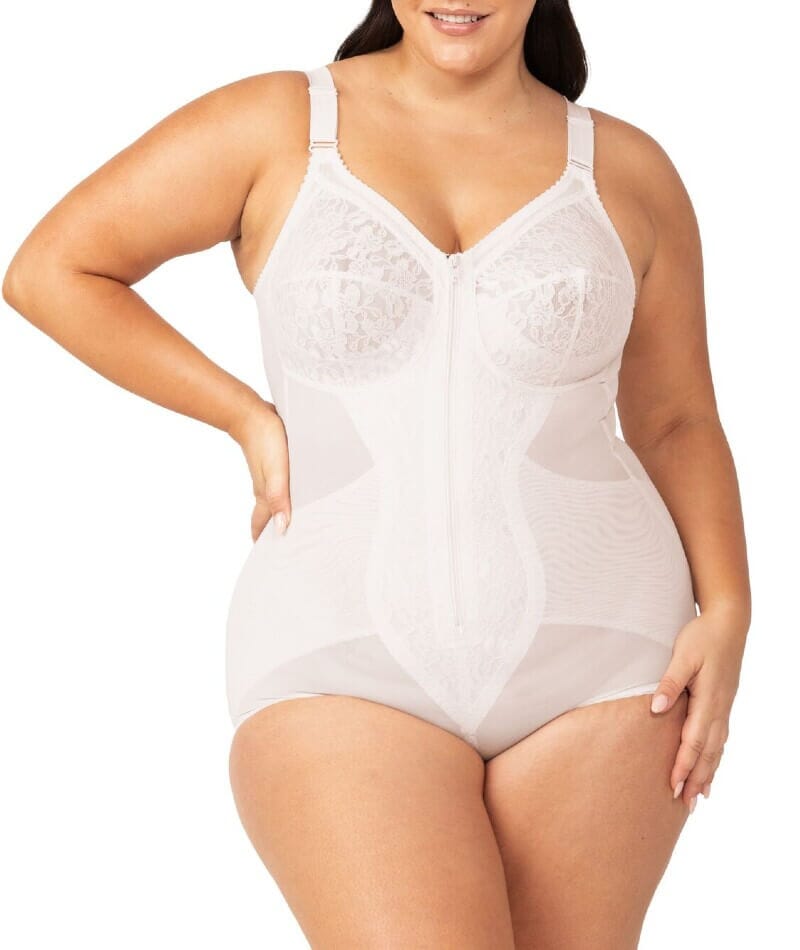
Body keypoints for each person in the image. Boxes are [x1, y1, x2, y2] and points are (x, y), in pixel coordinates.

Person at [3, 1, 751, 946]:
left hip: (609, 659)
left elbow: (677, 419)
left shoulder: (628, 170)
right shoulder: (280, 126)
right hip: (338, 657)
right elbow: (53, 269)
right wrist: (243, 416)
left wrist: (729, 610)